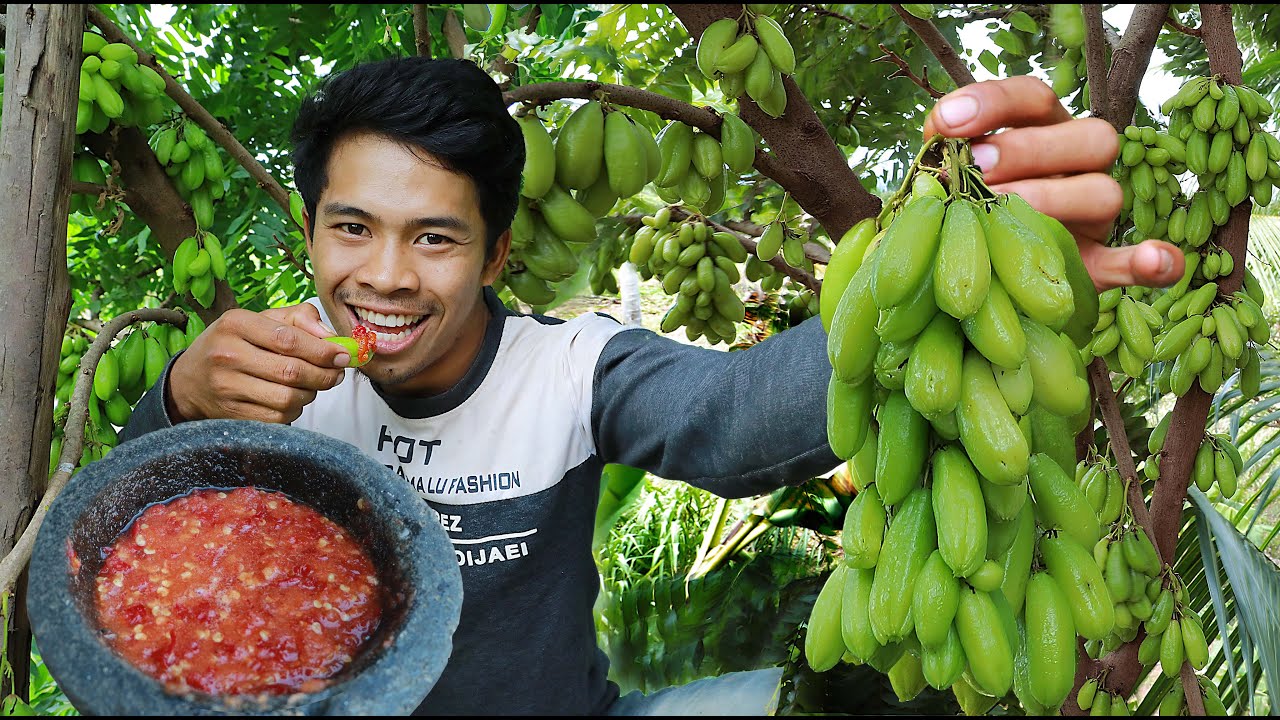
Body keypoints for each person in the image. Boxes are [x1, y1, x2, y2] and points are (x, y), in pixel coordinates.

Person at [120, 57, 1184, 715]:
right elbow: (134, 553)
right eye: (352, 229)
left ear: (495, 256)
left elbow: (731, 420)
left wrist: (941, 285)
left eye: (434, 238)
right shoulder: (267, 372)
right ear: (310, 232)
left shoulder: (568, 369)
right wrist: (176, 401)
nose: (386, 276)